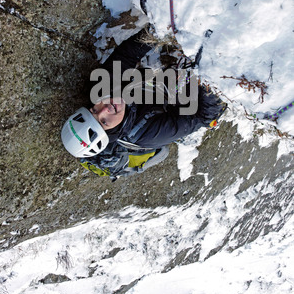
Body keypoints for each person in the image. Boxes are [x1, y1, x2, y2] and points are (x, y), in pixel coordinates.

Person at [61, 27, 226, 181]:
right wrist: (206, 78)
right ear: (112, 132)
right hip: (167, 111)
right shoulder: (147, 134)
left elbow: (127, 55)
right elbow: (205, 116)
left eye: (94, 111)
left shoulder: (100, 89)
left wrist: (156, 31)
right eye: (104, 122)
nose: (105, 109)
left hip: (146, 92)